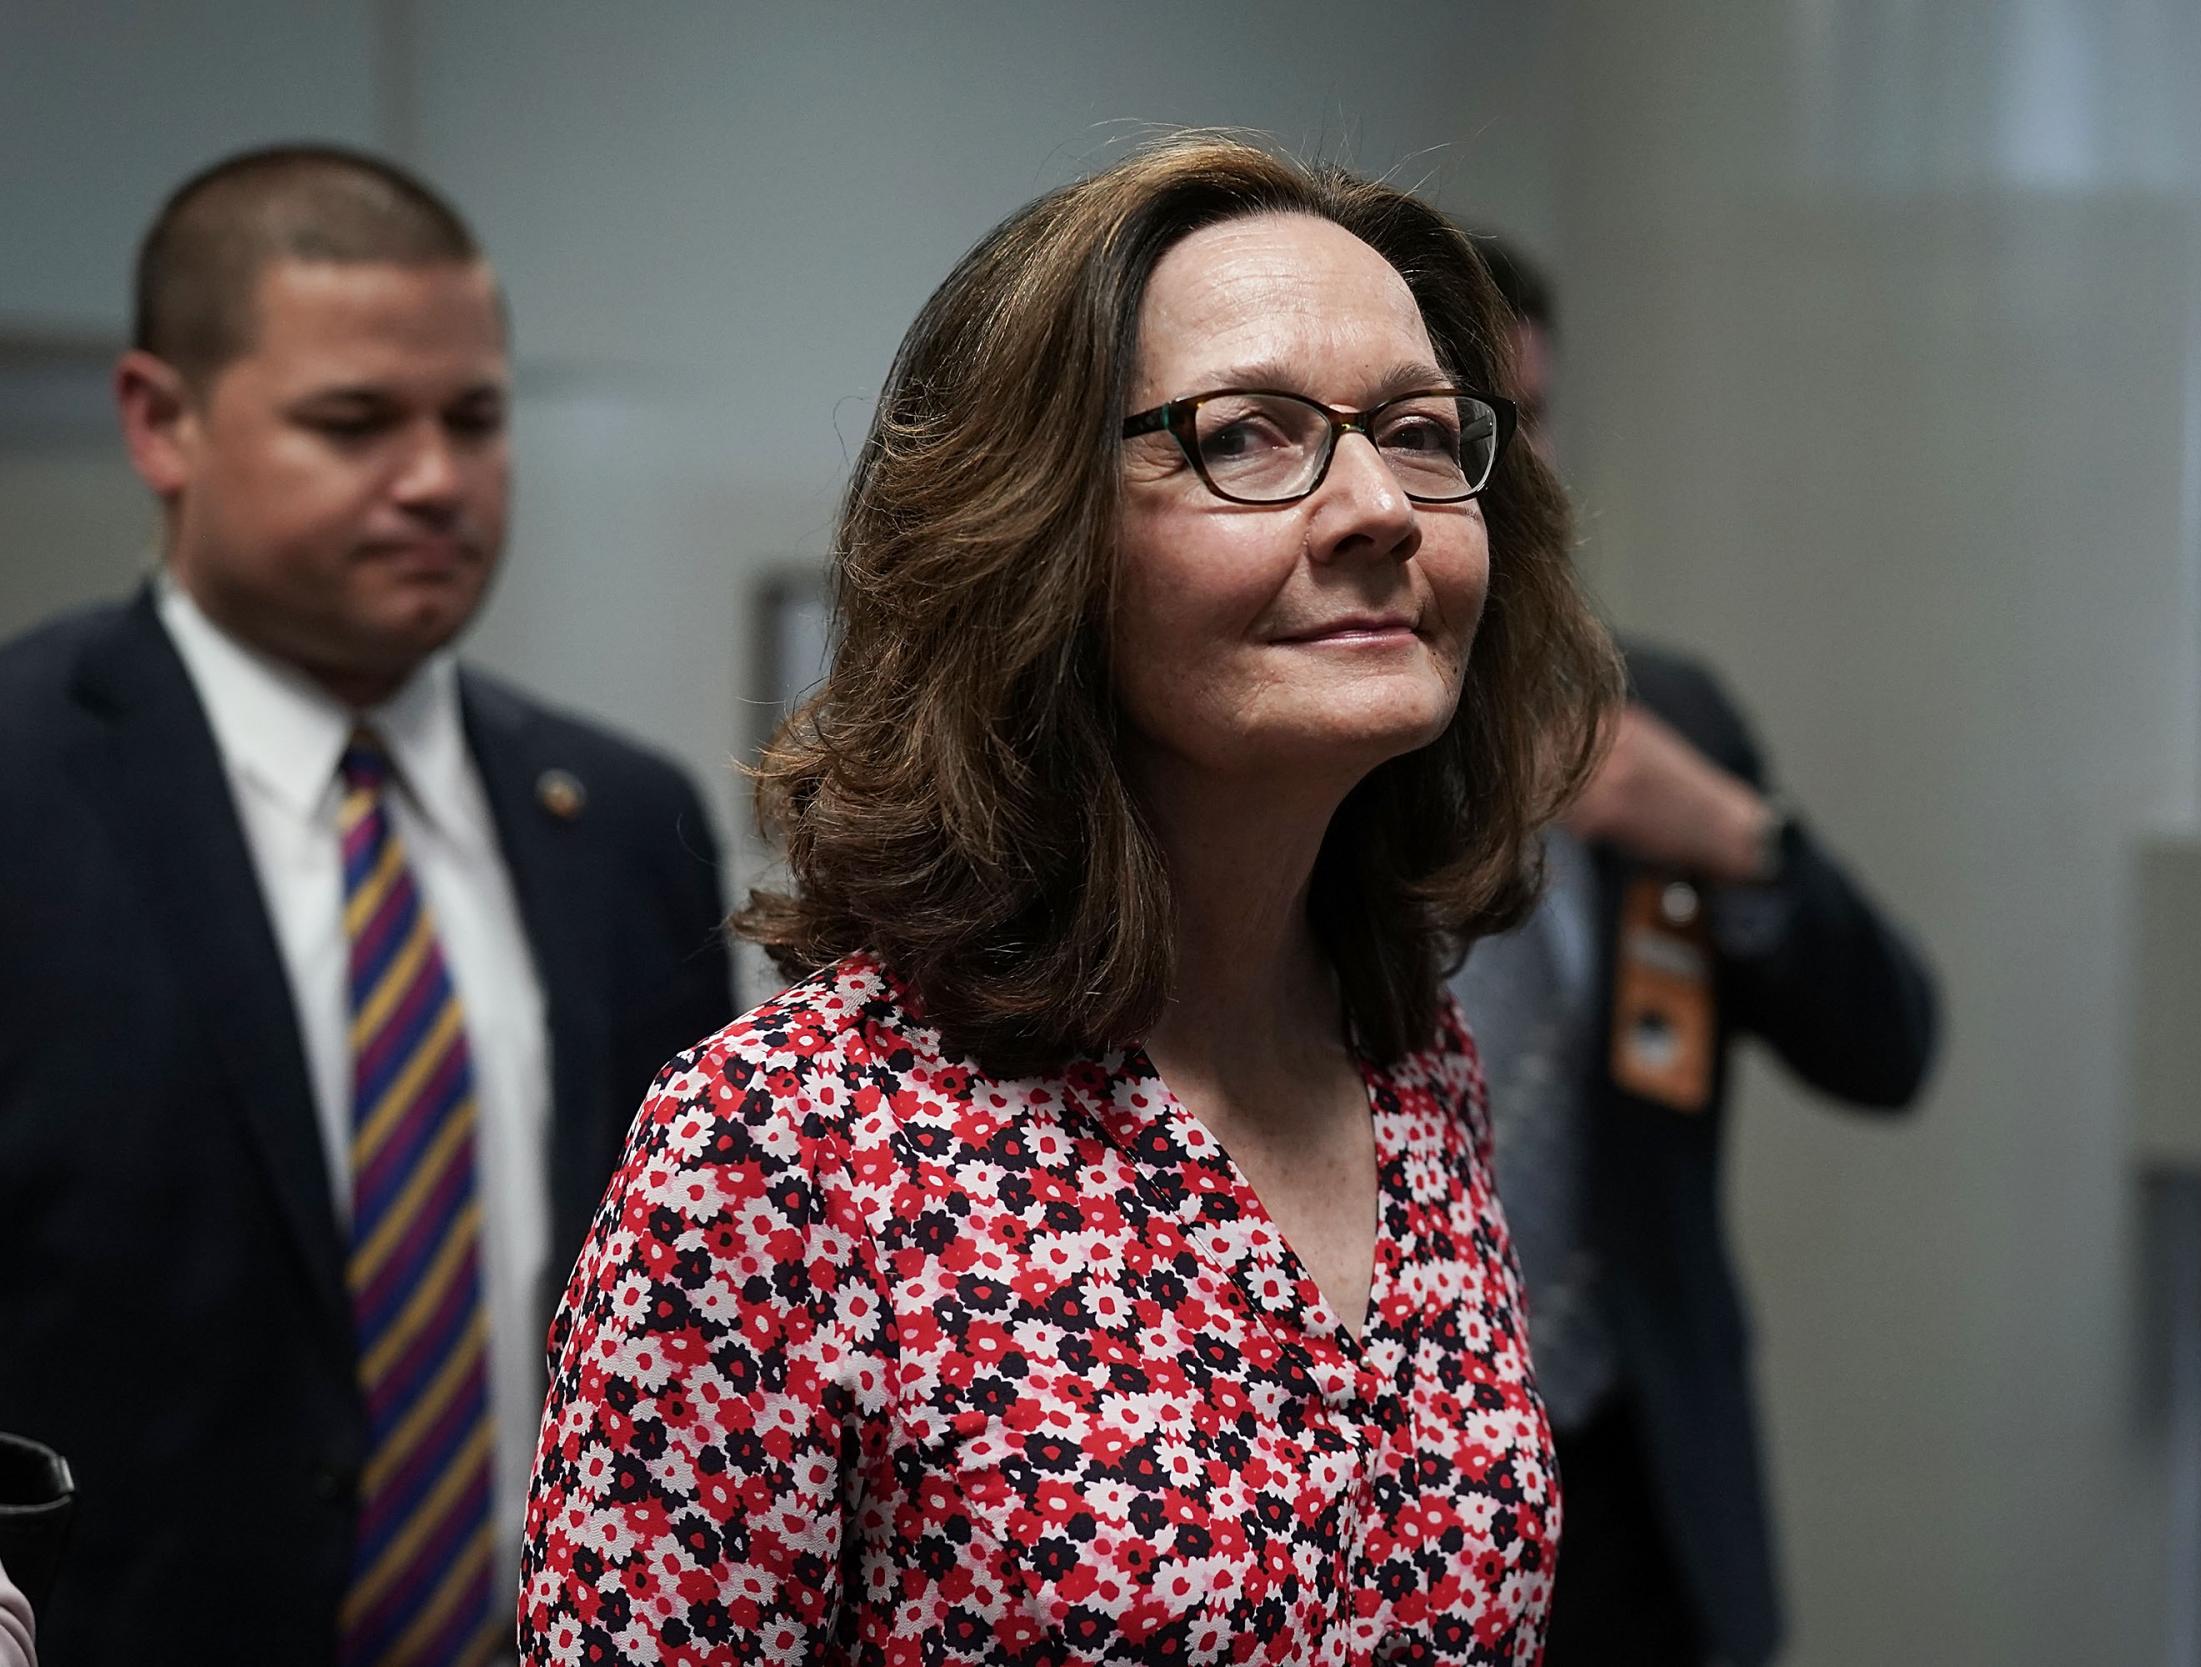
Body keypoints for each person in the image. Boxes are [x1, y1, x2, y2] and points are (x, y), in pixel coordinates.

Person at [516, 136, 1620, 1665]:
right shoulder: (792, 1149)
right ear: (1038, 537)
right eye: (1251, 436)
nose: (1380, 506)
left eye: (1424, 435)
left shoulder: (1413, 1066)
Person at [0, 146, 738, 1666]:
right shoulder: (18, 783)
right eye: (355, 423)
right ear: (161, 421)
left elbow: (690, 1322)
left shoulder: (624, 823)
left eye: (475, 419)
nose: (435, 479)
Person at [1451, 237, 1942, 1666]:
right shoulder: (1292, 758)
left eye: (1526, 422)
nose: (1503, 469)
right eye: (1450, 427)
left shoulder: (1656, 714)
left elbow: (1890, 1047)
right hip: (1377, 1478)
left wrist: (1743, 842)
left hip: (1639, 1467)